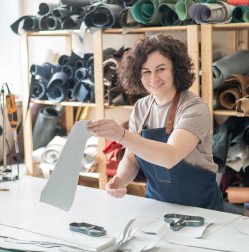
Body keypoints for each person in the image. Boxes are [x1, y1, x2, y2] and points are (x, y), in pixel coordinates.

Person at [87, 35, 223, 211]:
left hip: (201, 209)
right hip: (156, 207)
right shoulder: (141, 108)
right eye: (146, 71)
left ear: (175, 69)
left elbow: (170, 156)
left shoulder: (194, 108)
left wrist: (121, 135)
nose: (153, 78)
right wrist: (120, 179)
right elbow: (131, 158)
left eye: (160, 69)